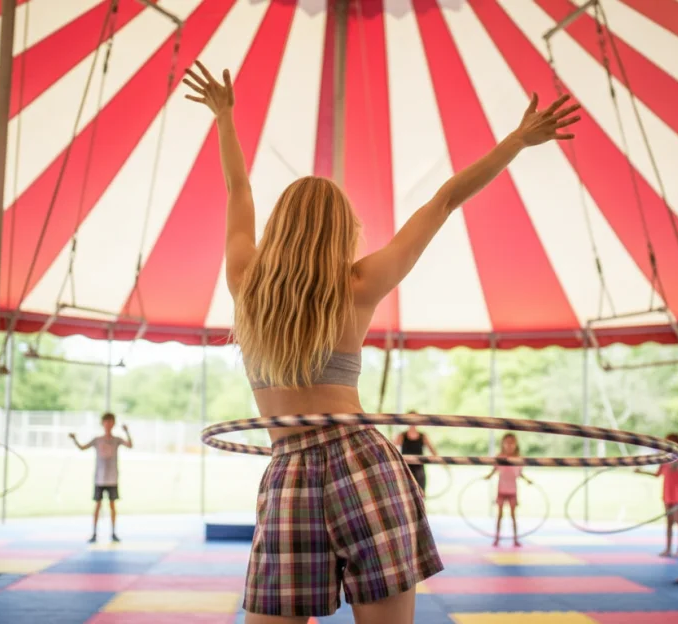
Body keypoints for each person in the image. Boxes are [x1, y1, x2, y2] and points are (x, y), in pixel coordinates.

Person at [183, 59, 579, 622]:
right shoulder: (361, 284)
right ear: (343, 230)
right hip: (362, 463)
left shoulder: (246, 281)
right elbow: (442, 202)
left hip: (289, 469)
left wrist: (224, 117)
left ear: (279, 226)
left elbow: (238, 188)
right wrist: (516, 140)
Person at [69, 413, 133, 543]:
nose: (108, 425)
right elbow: (82, 448)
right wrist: (74, 440)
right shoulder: (97, 440)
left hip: (112, 478)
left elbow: (130, 445)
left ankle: (114, 532)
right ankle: (94, 533)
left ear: (113, 424)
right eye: (106, 422)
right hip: (99, 478)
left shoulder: (117, 440)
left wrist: (127, 432)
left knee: (112, 505)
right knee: (97, 505)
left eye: (110, 422)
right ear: (103, 424)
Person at [636, 433, 678, 557]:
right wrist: (641, 472)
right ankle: (668, 549)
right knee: (669, 523)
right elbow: (657, 474)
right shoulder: (665, 459)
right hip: (667, 494)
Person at [483, 433, 533, 547]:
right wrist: (488, 476)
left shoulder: (518, 458)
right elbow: (495, 469)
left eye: (512, 442)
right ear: (503, 444)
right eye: (507, 442)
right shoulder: (499, 457)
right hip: (501, 490)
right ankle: (497, 538)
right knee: (499, 515)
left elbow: (519, 473)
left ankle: (515, 539)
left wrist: (527, 480)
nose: (509, 445)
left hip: (513, 491)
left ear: (516, 444)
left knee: (513, 516)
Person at [393, 420, 439, 495]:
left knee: (421, 493)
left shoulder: (423, 436)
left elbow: (432, 449)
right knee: (406, 493)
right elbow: (392, 447)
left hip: (419, 468)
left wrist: (442, 462)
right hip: (406, 468)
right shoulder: (402, 435)